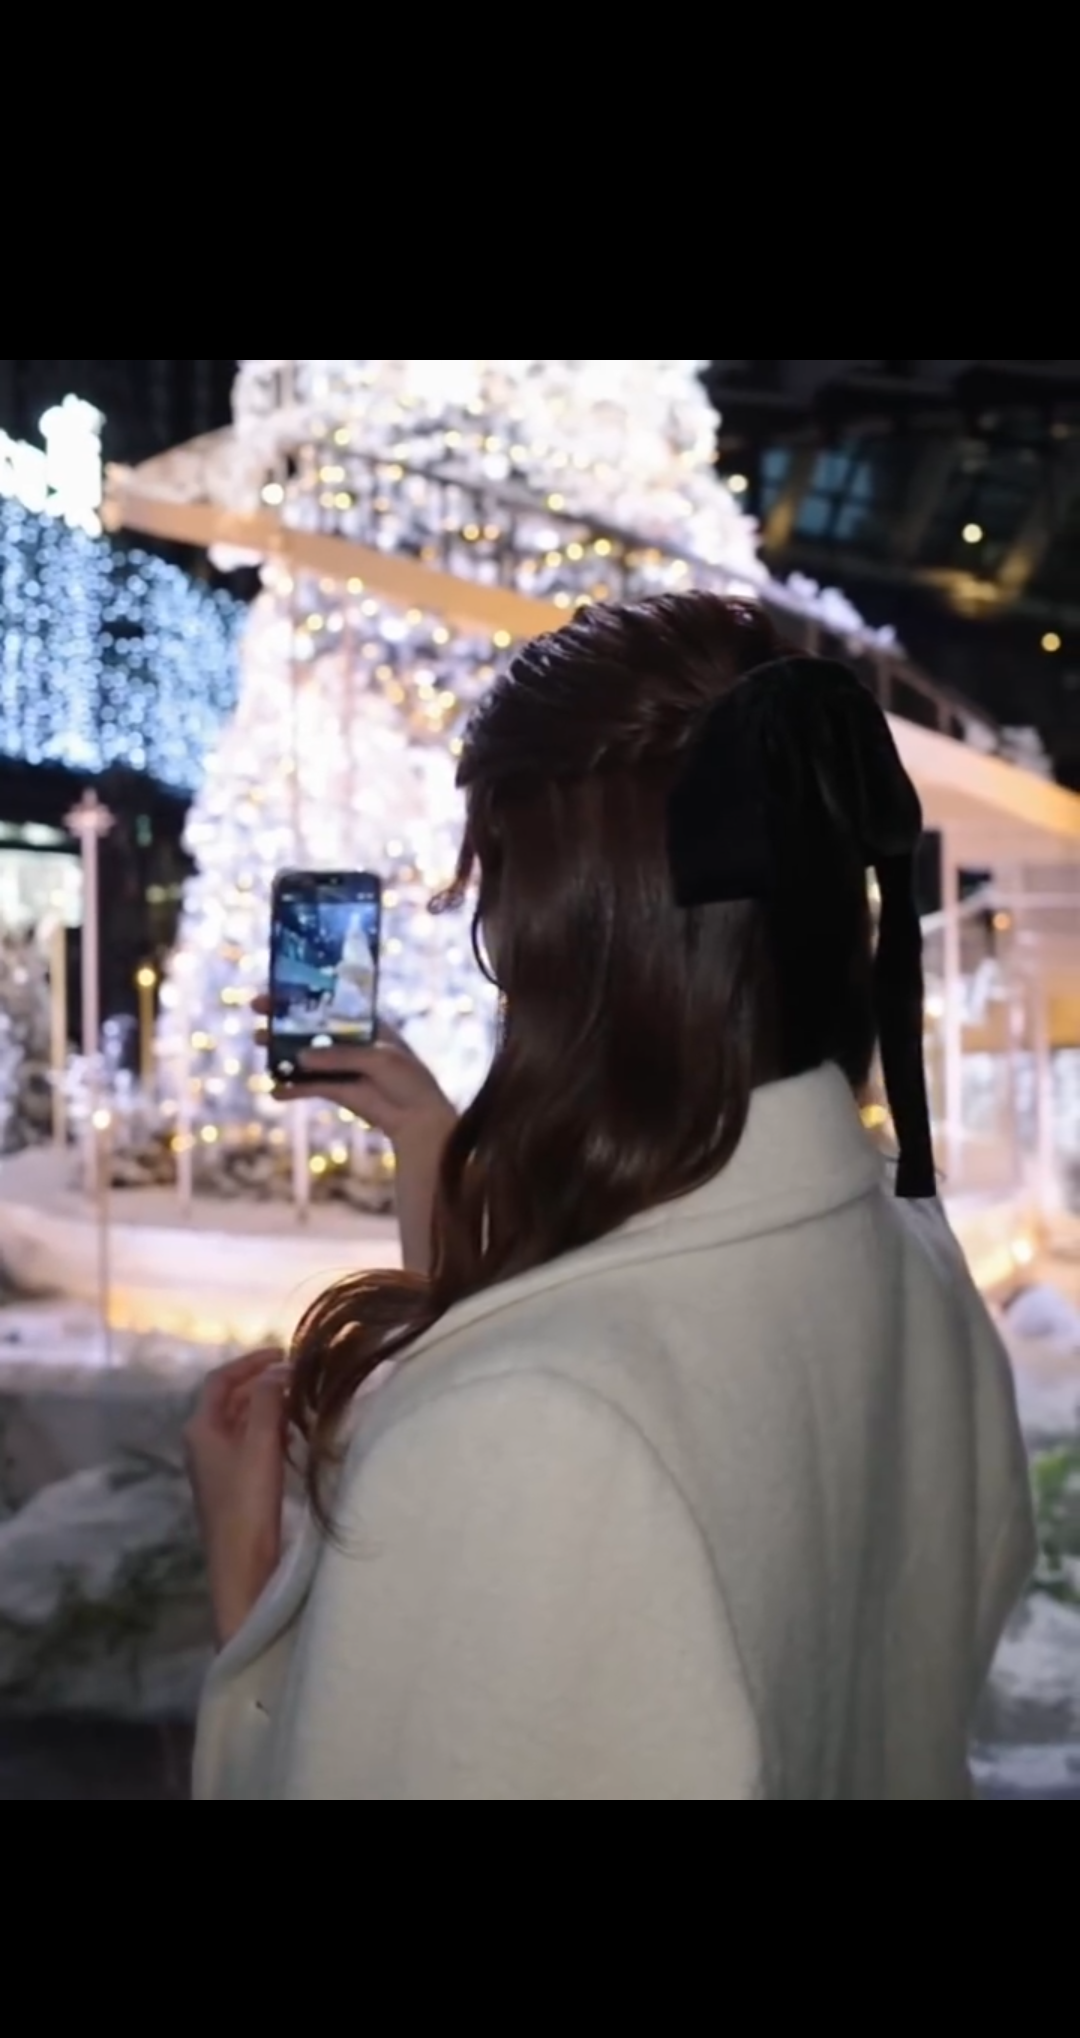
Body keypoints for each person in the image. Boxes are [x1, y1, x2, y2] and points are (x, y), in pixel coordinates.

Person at [187, 593, 1035, 1803]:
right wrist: (433, 1148)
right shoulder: (919, 1274)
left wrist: (250, 1591)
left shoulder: (527, 1426)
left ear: (558, 933)